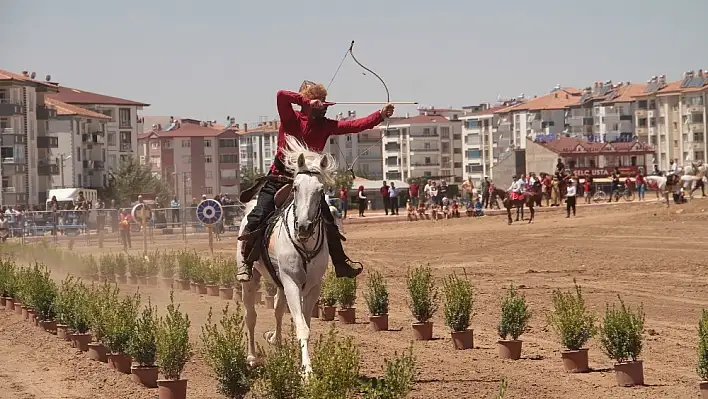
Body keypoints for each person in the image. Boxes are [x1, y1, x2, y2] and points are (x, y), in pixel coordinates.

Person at [237, 80, 395, 282]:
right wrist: (307, 100)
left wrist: (380, 115)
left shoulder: (326, 125)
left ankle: (340, 263)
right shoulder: (291, 119)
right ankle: (246, 263)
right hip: (278, 179)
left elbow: (355, 125)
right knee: (257, 216)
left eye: (324, 105)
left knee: (329, 222)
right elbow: (280, 95)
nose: (323, 110)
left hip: (306, 185)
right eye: (319, 106)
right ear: (307, 106)